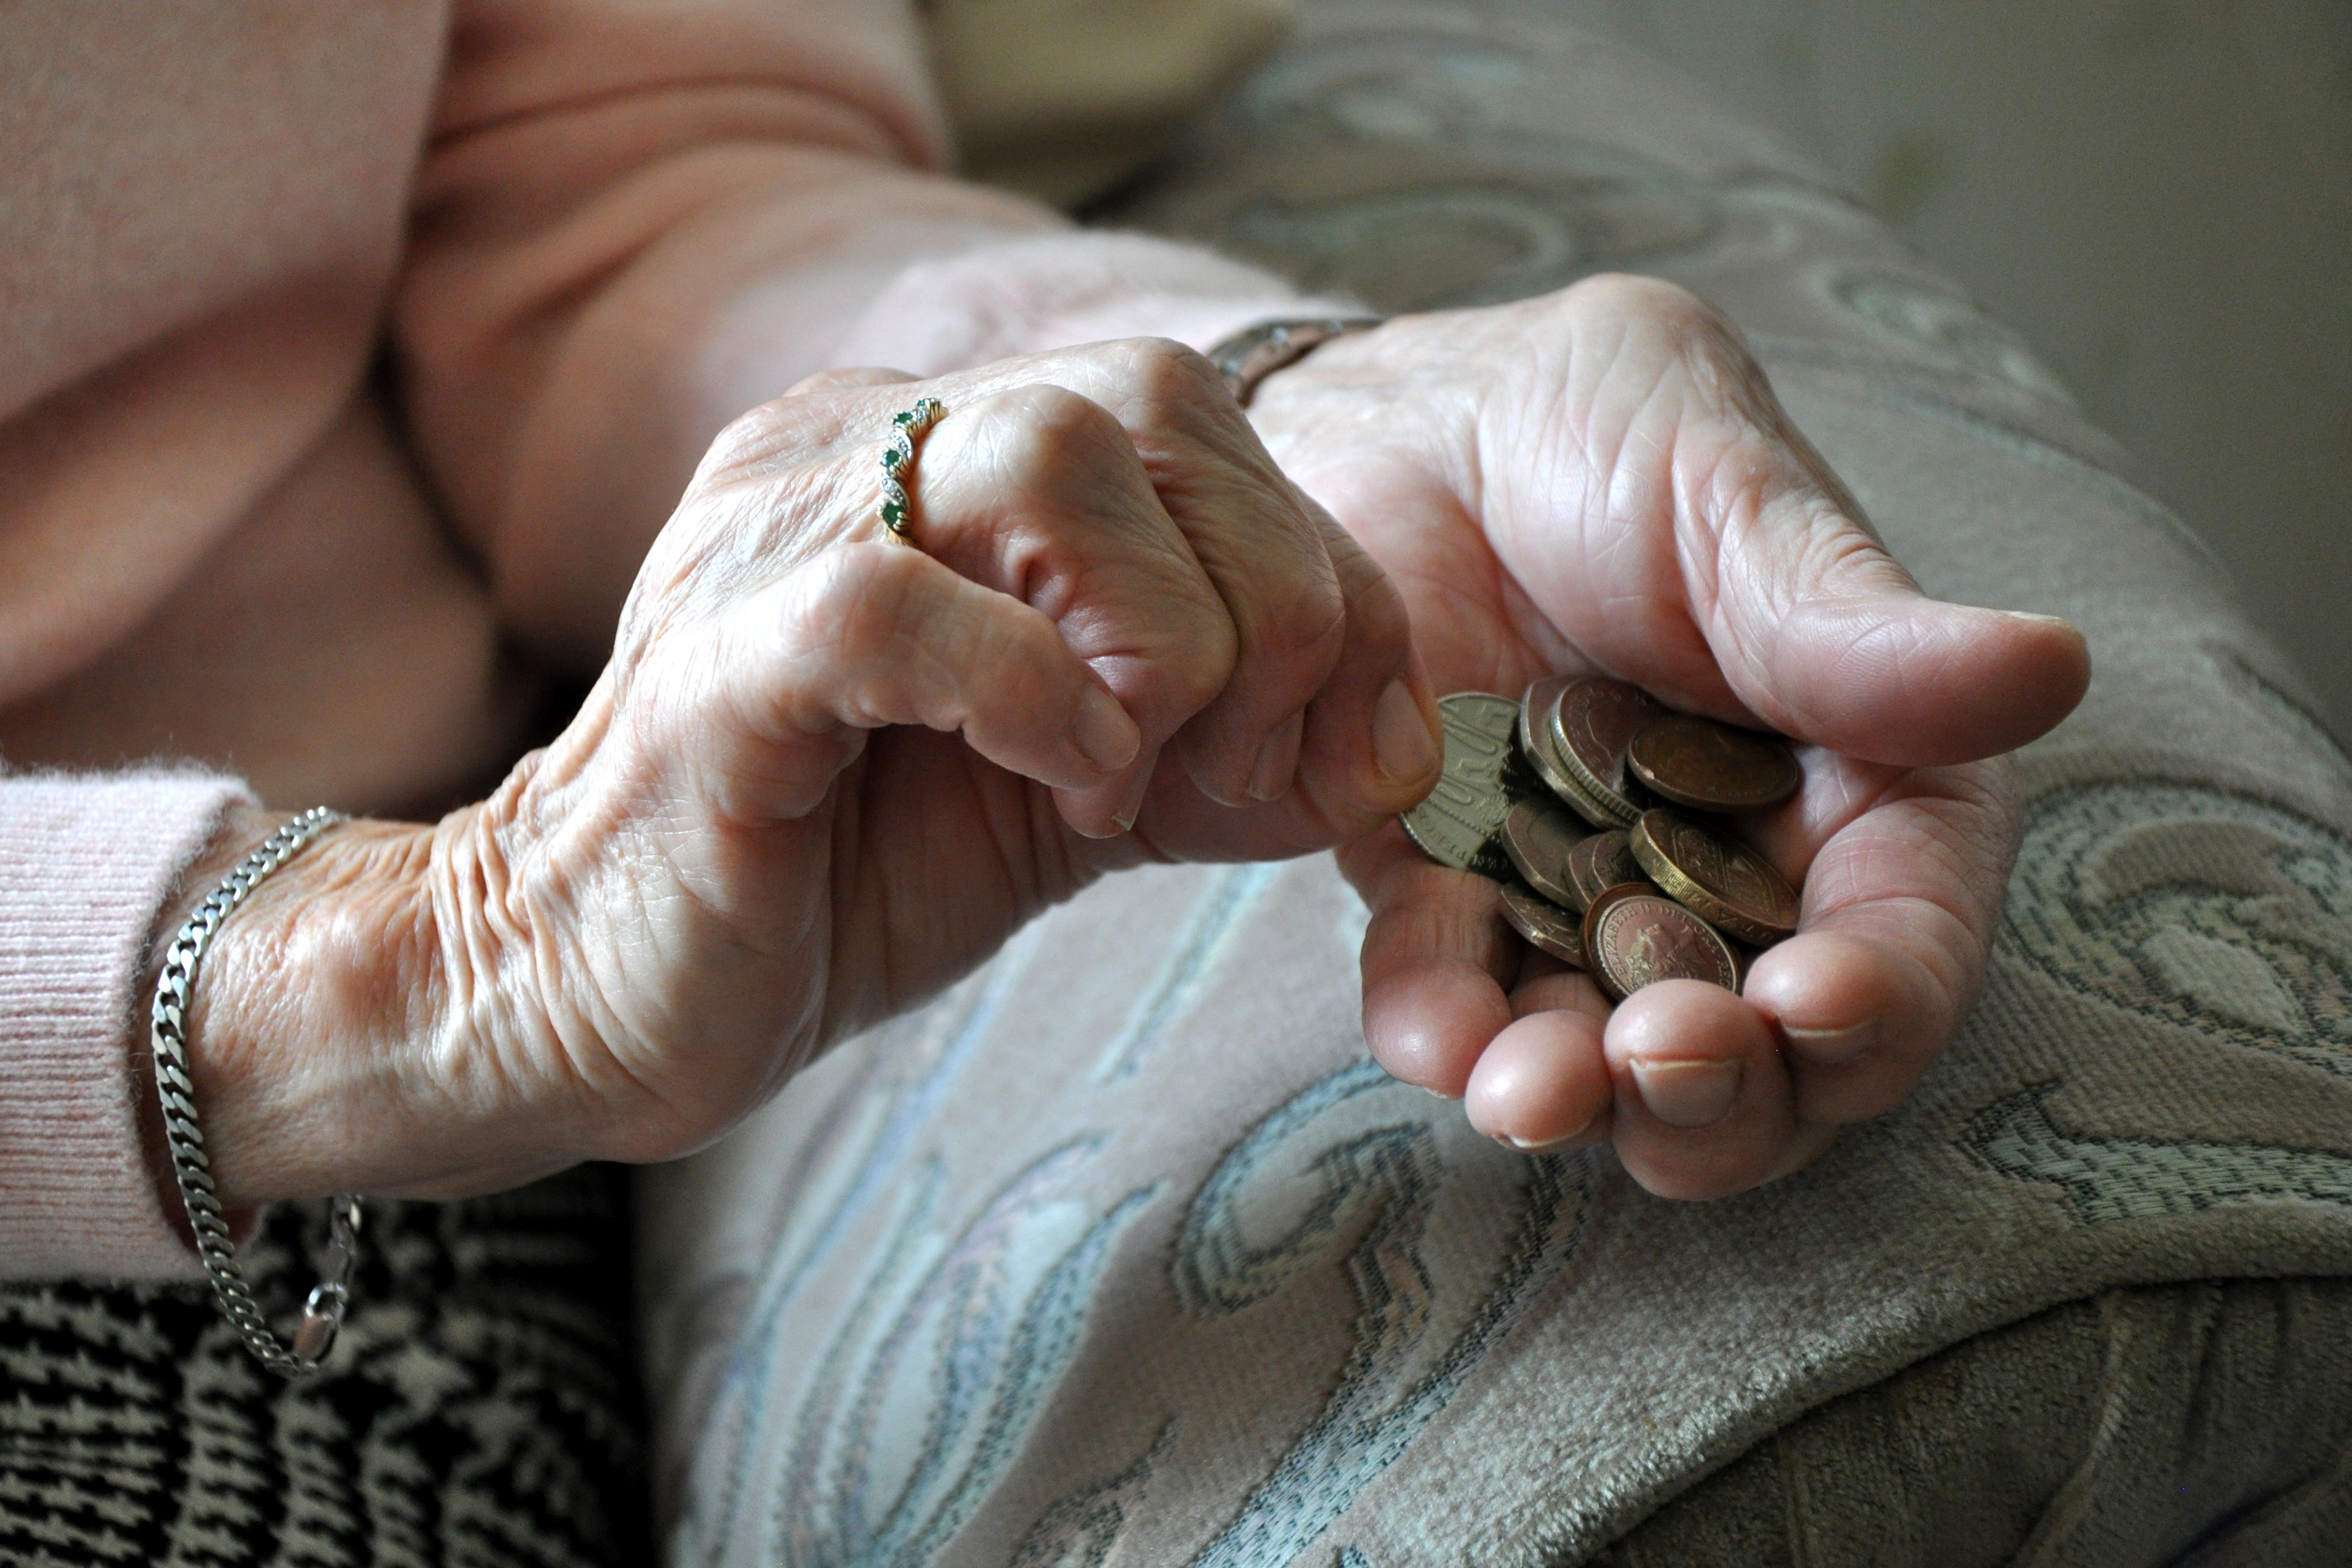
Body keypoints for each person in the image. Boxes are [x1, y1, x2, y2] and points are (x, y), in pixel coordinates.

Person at [0, 0, 2088, 1287]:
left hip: (383, 1233)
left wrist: (1267, 414)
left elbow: (615, 198)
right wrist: (391, 974)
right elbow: (417, 982)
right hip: (258, 1090)